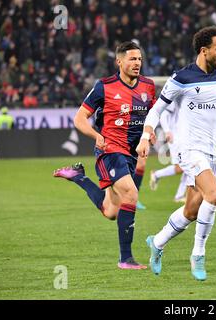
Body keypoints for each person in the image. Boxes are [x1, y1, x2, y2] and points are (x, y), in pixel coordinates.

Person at [136, 26, 216, 281]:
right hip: (188, 148)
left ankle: (158, 242)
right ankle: (198, 254)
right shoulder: (182, 78)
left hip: (212, 151)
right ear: (204, 50)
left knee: (191, 211)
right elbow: (156, 110)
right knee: (215, 195)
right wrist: (145, 134)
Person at [53, 41, 156, 269]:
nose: (137, 63)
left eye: (139, 59)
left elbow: (153, 115)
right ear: (119, 61)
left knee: (111, 211)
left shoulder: (148, 86)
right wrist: (95, 135)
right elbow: (79, 118)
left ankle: (78, 176)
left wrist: (151, 134)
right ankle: (125, 259)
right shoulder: (104, 86)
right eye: (132, 59)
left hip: (130, 154)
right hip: (109, 150)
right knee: (131, 193)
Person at [149, 96, 188, 203]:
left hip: (184, 138)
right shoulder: (175, 97)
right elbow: (164, 114)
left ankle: (179, 196)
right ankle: (157, 174)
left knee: (188, 166)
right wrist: (167, 131)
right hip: (176, 138)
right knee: (181, 168)